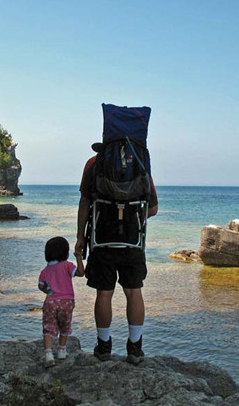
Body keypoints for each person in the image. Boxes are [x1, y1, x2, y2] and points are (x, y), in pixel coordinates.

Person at [75, 156, 158, 364]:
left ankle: (104, 346)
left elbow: (85, 202)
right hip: (132, 239)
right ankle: (135, 348)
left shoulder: (94, 163)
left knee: (104, 293)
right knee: (133, 291)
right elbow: (153, 208)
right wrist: (130, 215)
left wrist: (80, 237)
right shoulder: (139, 161)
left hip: (101, 238)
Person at [38, 236, 85, 367]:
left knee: (48, 327)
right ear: (65, 253)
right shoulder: (67, 265)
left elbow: (41, 286)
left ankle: (48, 354)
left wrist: (48, 291)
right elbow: (81, 272)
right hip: (67, 301)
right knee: (65, 325)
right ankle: (61, 350)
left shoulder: (45, 271)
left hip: (50, 302)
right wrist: (79, 257)